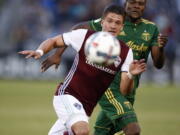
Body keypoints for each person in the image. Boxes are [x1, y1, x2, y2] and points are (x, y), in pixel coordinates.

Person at [41, 0, 168, 135]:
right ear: (125, 2)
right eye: (132, 2)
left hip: (129, 87)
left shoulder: (151, 28)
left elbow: (158, 64)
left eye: (141, 3)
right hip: (109, 87)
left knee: (102, 132)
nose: (136, 6)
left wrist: (160, 48)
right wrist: (58, 54)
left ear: (145, 5)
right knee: (132, 129)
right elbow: (77, 29)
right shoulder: (112, 19)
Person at [19, 5, 146, 135]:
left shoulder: (126, 52)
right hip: (67, 95)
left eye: (117, 23)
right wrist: (40, 51)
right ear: (102, 22)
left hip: (86, 109)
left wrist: (130, 74)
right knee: (82, 130)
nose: (113, 26)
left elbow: (124, 90)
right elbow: (54, 40)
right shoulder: (85, 36)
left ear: (122, 27)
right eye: (109, 21)